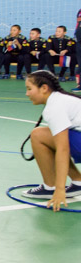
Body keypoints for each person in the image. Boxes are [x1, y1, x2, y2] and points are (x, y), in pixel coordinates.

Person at [21, 70, 81, 209]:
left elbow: (63, 149)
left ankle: (50, 187)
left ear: (44, 88)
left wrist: (60, 190)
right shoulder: (60, 99)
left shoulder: (55, 107)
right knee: (44, 134)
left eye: (29, 89)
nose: (27, 93)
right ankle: (78, 181)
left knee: (38, 135)